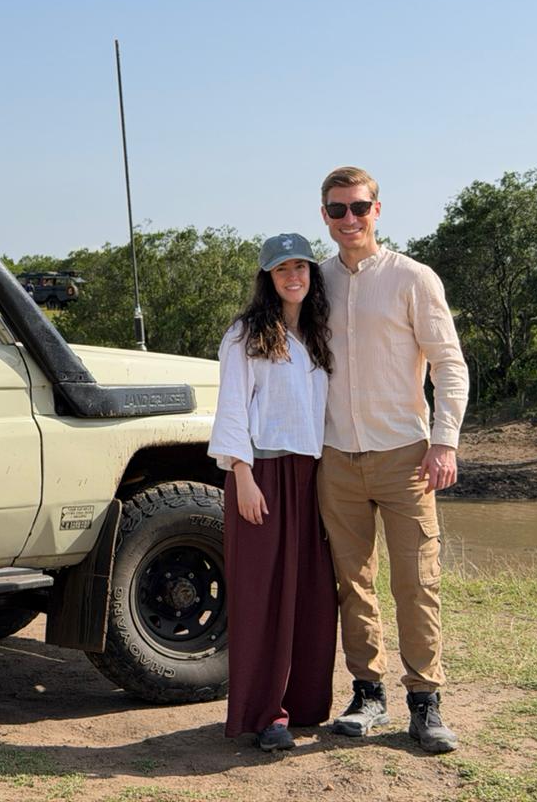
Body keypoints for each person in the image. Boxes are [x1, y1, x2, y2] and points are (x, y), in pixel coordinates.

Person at [317, 166, 469, 754]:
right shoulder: (314, 282)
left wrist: (445, 439)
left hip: (407, 456)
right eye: (337, 210)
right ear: (324, 216)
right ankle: (367, 692)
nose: (349, 219)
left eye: (359, 208)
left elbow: (448, 364)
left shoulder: (412, 278)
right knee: (352, 583)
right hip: (335, 457)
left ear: (378, 210)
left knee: (416, 581)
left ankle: (425, 702)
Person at [208, 232, 338, 752]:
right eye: (282, 269)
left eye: (301, 267)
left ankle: (304, 705)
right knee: (263, 597)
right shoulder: (245, 335)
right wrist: (241, 475)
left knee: (310, 592)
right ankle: (266, 715)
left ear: (311, 274)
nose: (293, 277)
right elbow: (233, 407)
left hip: (314, 476)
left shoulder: (320, 335)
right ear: (267, 277)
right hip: (261, 475)